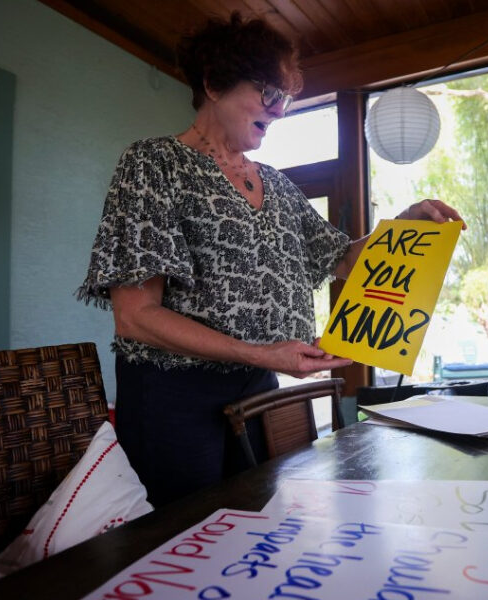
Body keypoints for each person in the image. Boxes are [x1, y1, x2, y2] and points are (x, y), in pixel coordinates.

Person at [77, 12, 464, 507]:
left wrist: (403, 224)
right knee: (183, 533)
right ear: (214, 83)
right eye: (268, 93)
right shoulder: (154, 164)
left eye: (285, 98)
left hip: (260, 390)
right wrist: (261, 353)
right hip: (174, 395)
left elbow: (343, 259)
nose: (279, 110)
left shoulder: (277, 185)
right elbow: (135, 317)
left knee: (262, 519)